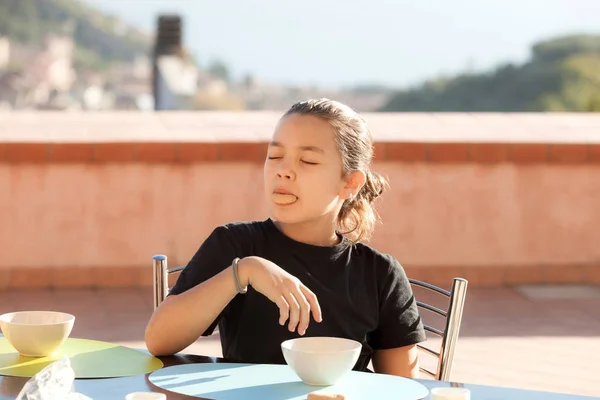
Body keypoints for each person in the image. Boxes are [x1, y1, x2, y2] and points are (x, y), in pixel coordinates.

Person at [144, 98, 426, 377]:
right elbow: (159, 341)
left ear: (350, 182)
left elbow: (403, 390)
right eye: (275, 156)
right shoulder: (234, 244)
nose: (283, 171)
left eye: (308, 160)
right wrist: (244, 271)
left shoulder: (380, 275)